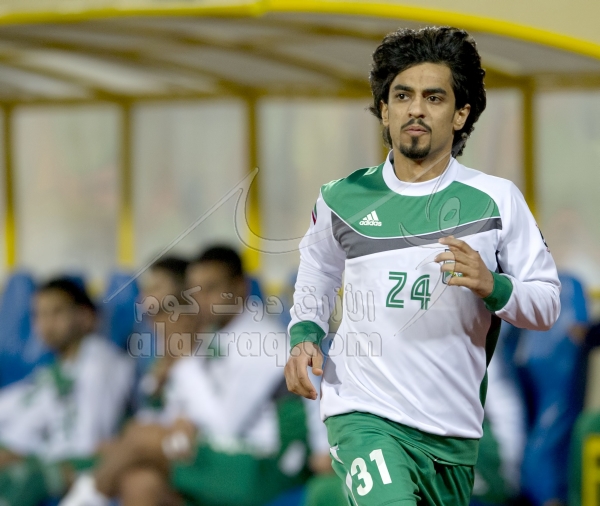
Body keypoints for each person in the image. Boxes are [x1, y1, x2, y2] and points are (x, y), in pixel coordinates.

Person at [284, 26, 561, 506]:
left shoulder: (497, 200)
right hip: (363, 413)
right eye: (402, 96)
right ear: (384, 110)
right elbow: (318, 274)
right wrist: (304, 334)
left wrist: (493, 285)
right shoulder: (341, 198)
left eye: (433, 97)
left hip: (453, 429)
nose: (416, 109)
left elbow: (547, 305)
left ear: (460, 114)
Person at [61, 246, 313, 506]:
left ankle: (84, 498)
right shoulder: (214, 337)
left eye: (211, 288)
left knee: (142, 439)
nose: (200, 299)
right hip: (224, 456)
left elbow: (225, 425)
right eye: (194, 291)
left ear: (240, 288)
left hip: (266, 466)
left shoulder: (264, 343)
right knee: (140, 482)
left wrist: (184, 361)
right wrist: (180, 419)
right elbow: (189, 409)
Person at [0, 277, 134, 505]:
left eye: (56, 313)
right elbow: (15, 407)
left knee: (21, 479)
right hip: (49, 459)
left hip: (84, 464)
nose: (46, 324)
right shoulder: (55, 370)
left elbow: (89, 439)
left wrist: (25, 458)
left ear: (85, 317)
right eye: (39, 315)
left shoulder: (101, 363)